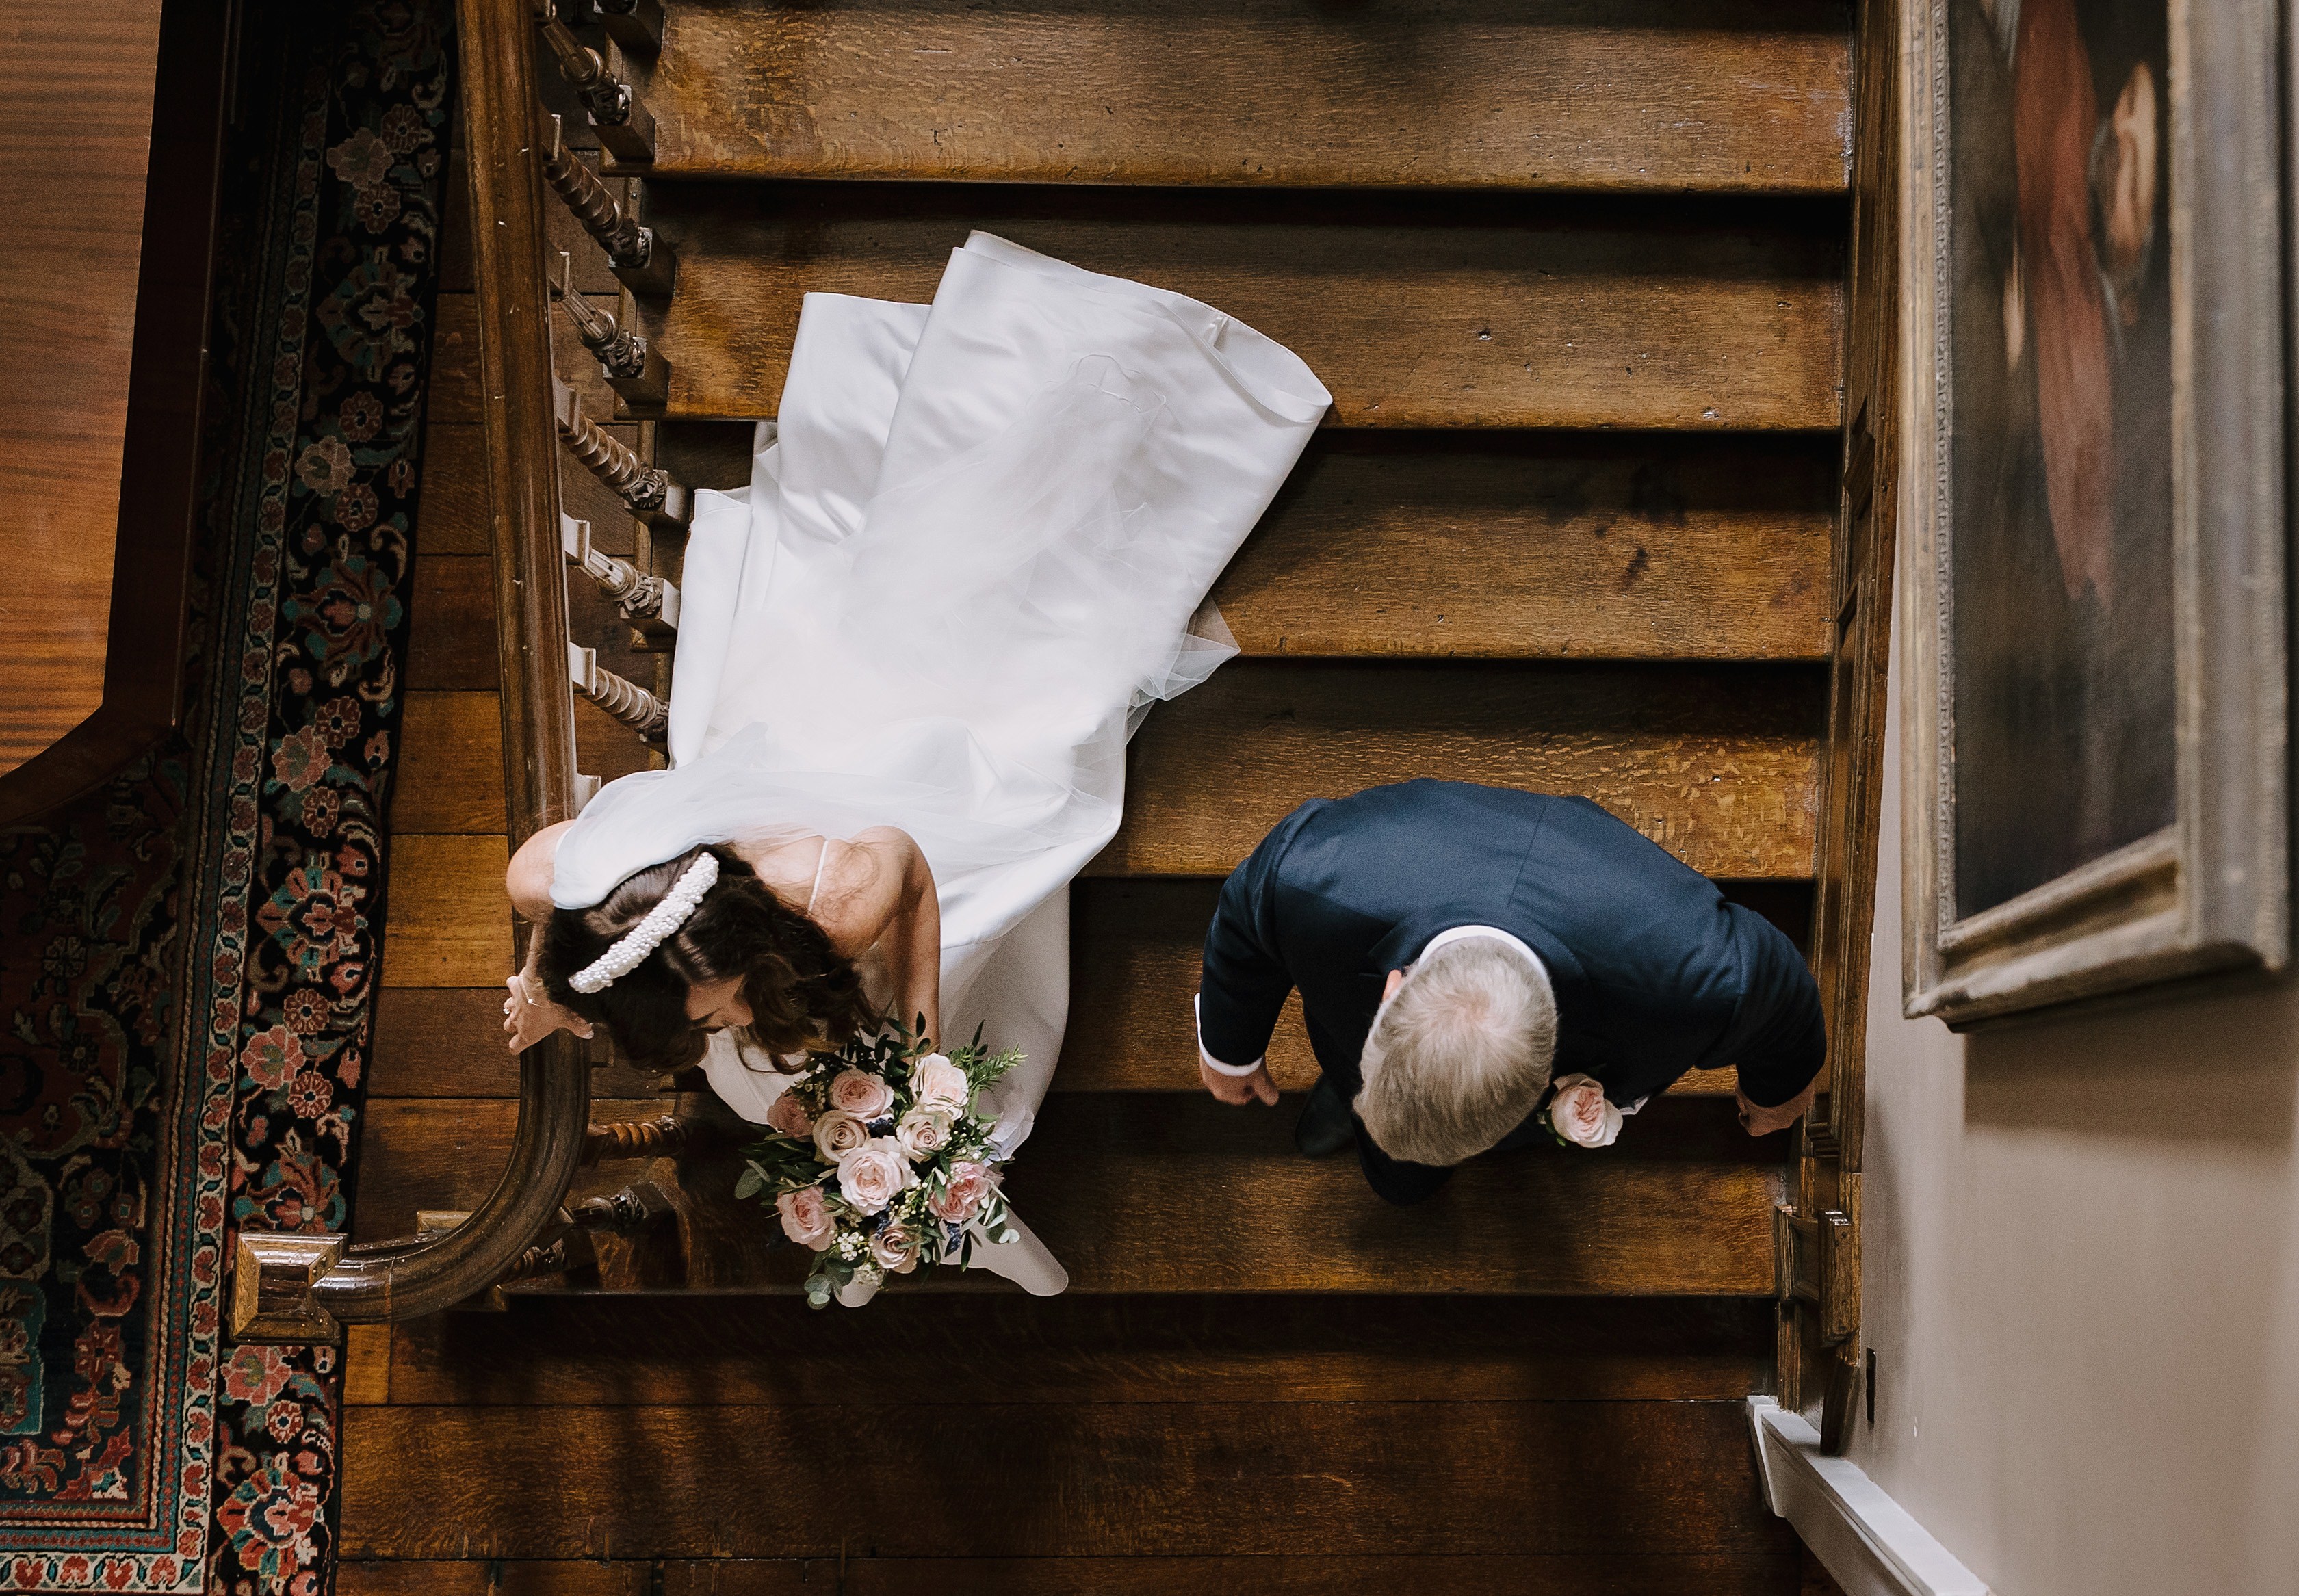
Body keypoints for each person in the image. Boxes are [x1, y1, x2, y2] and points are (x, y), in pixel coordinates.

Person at [499, 233, 1333, 1294]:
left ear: (740, 931)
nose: (728, 1025)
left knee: (1043, 689)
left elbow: (919, 869)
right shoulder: (555, 882)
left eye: (716, 1010)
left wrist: (927, 1041)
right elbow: (552, 903)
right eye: (709, 1020)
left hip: (900, 773)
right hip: (772, 780)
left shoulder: (833, 898)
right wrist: (543, 983)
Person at [1194, 779, 1826, 1205]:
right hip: (1382, 955)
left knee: (1405, 1182)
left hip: (1604, 939)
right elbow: (1247, 913)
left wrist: (1778, 1091)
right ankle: (1362, 1103)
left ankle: (1412, 1161)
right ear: (1392, 993)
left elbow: (1782, 993)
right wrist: (1230, 1048)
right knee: (1398, 1176)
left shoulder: (1691, 972)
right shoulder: (1313, 876)